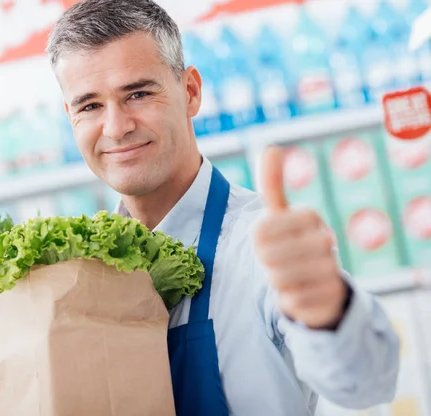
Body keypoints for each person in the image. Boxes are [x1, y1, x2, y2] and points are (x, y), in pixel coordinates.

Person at [47, 0, 400, 414]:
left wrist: (330, 312)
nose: (116, 127)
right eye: (90, 105)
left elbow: (364, 382)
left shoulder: (260, 244)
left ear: (191, 92)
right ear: (70, 115)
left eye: (138, 93)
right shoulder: (79, 275)